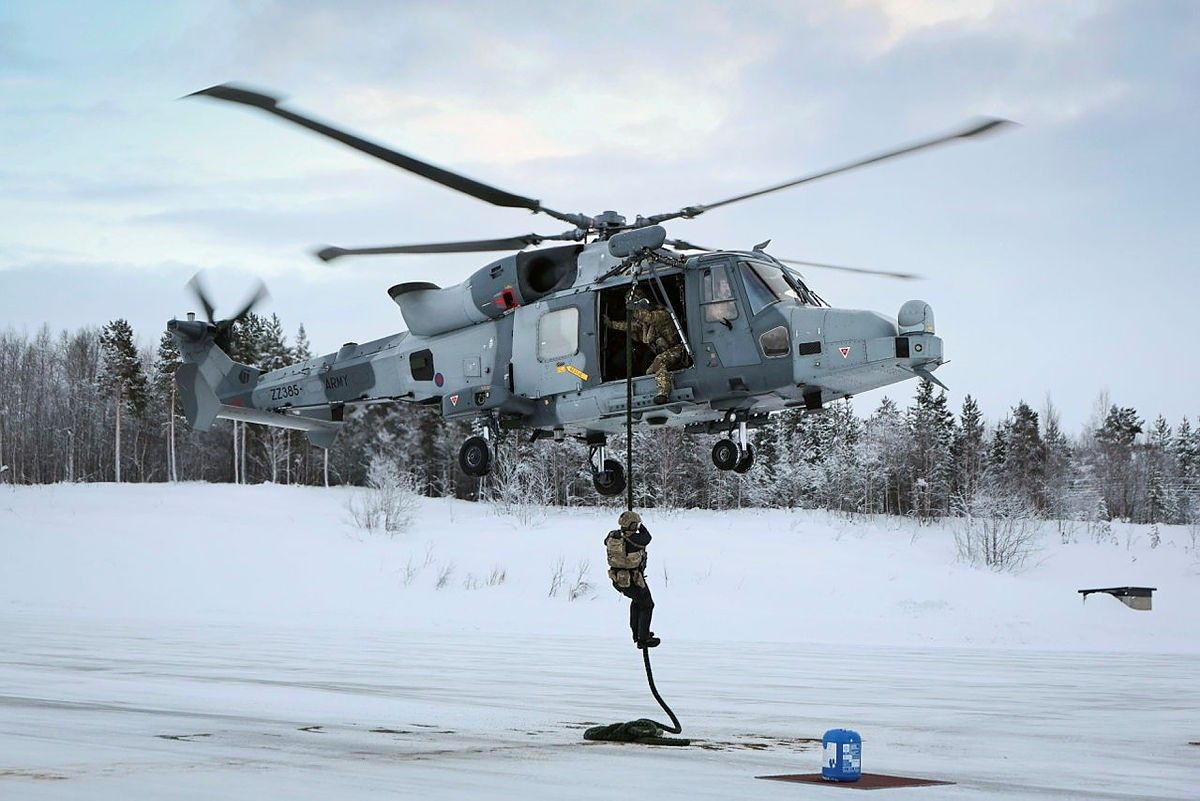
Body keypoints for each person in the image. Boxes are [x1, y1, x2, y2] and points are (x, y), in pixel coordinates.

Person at [603, 289, 685, 405]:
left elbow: (650, 317)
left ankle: (663, 393)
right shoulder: (644, 324)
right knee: (649, 371)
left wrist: (634, 310)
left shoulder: (662, 315)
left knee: (659, 361)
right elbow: (630, 326)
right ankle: (668, 380)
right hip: (665, 351)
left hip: (677, 349)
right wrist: (611, 324)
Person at [605, 510, 660, 648]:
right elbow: (647, 538)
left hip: (619, 580)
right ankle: (643, 639)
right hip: (634, 580)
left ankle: (639, 633)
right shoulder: (634, 539)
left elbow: (605, 542)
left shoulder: (613, 536)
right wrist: (641, 527)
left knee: (637, 602)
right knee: (647, 605)